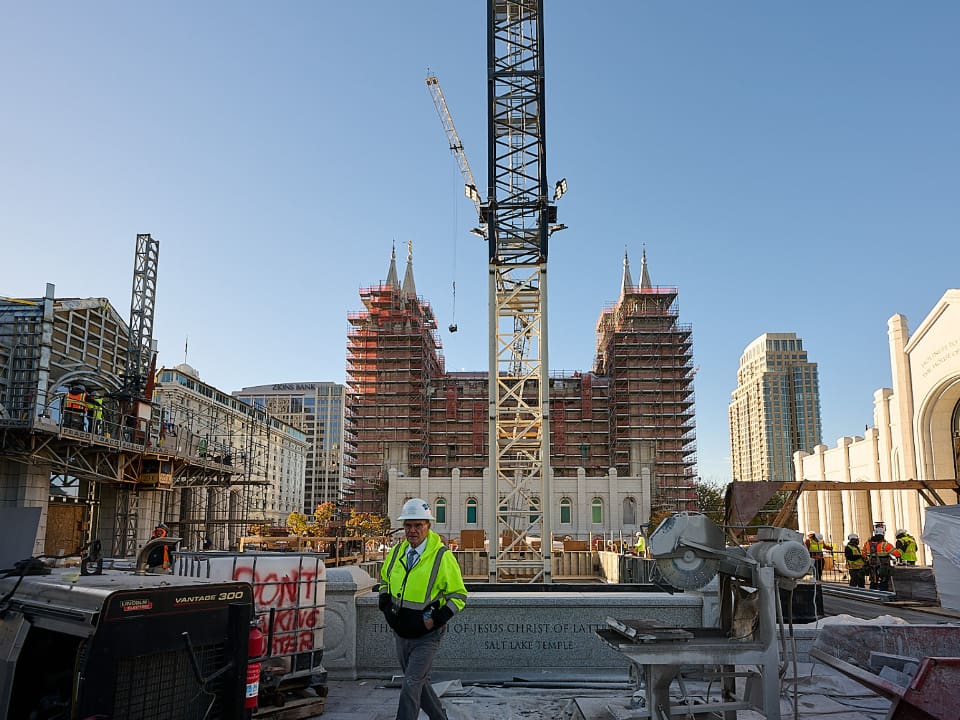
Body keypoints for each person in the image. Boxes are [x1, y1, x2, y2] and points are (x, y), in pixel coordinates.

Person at [378, 498, 467, 720]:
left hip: (427, 635)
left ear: (428, 526)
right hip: (401, 633)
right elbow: (384, 582)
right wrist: (385, 605)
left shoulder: (441, 556)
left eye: (418, 525)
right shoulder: (397, 551)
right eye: (408, 525)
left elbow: (459, 595)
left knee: (410, 684)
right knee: (418, 682)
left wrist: (435, 619)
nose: (412, 530)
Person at [867, 525, 900, 591]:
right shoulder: (885, 545)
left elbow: (864, 554)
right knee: (883, 582)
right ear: (883, 534)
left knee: (873, 582)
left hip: (872, 567)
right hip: (883, 567)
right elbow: (897, 554)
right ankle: (883, 595)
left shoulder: (868, 544)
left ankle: (872, 595)